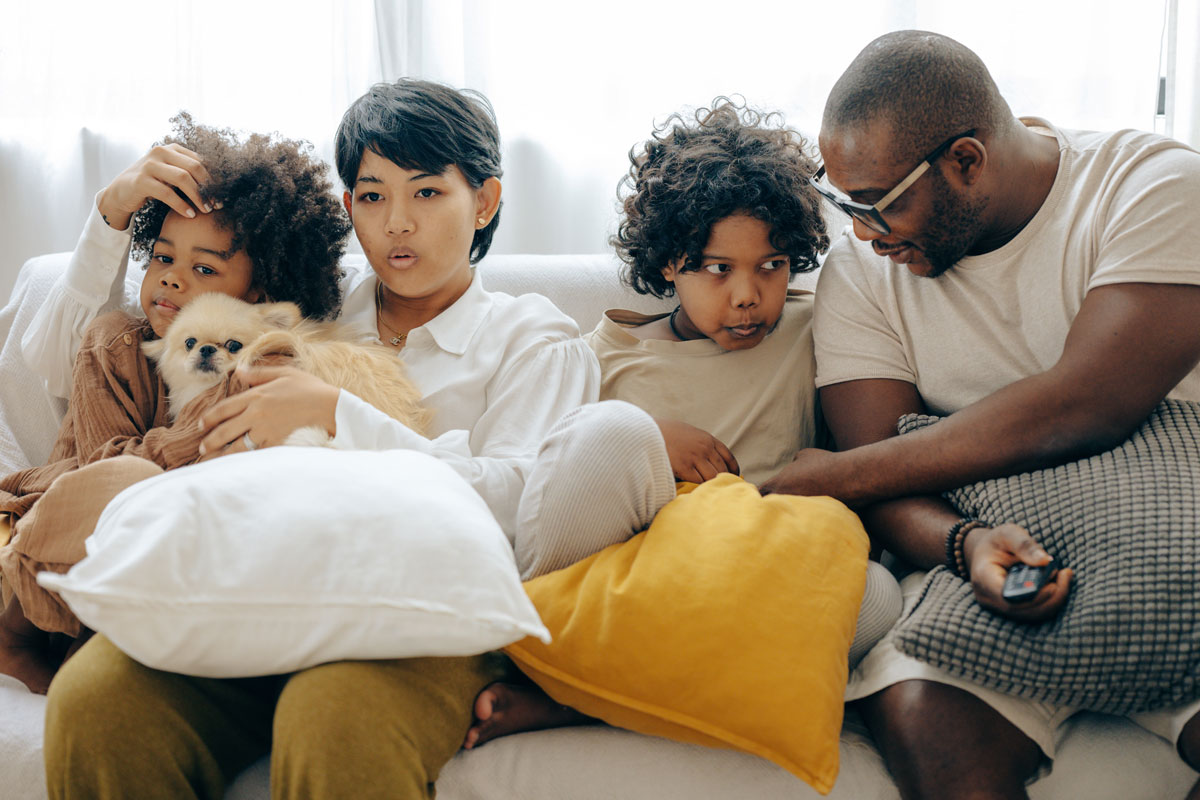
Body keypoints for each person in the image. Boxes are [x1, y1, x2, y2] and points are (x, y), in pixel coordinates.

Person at [40, 78, 619, 800]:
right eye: (373, 196)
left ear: (487, 201)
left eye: (428, 193)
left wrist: (342, 415)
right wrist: (109, 216)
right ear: (349, 209)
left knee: (334, 716)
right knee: (97, 702)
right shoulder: (300, 305)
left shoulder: (534, 340)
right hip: (264, 594)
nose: (398, 223)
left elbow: (525, 510)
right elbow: (81, 358)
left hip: (425, 624)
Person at [757, 30, 1200, 800]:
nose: (861, 233)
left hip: (1175, 539)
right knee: (926, 714)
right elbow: (886, 479)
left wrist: (827, 477)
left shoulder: (1152, 185)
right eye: (844, 203)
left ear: (966, 160)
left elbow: (1087, 405)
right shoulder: (862, 275)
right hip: (996, 558)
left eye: (879, 205)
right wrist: (963, 544)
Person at [465, 99, 903, 749]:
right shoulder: (600, 353)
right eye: (719, 269)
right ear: (670, 261)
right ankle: (560, 662)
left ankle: (583, 702)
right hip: (634, 580)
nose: (748, 294)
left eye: (771, 266)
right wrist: (649, 438)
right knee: (607, 431)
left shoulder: (817, 329)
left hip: (747, 573)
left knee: (877, 596)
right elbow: (540, 478)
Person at [0, 113, 350, 694]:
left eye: (204, 268)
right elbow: (103, 466)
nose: (172, 281)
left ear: (259, 292)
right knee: (125, 479)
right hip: (88, 526)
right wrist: (195, 441)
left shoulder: (265, 369)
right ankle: (17, 637)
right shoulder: (119, 343)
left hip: (177, 561)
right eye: (162, 258)